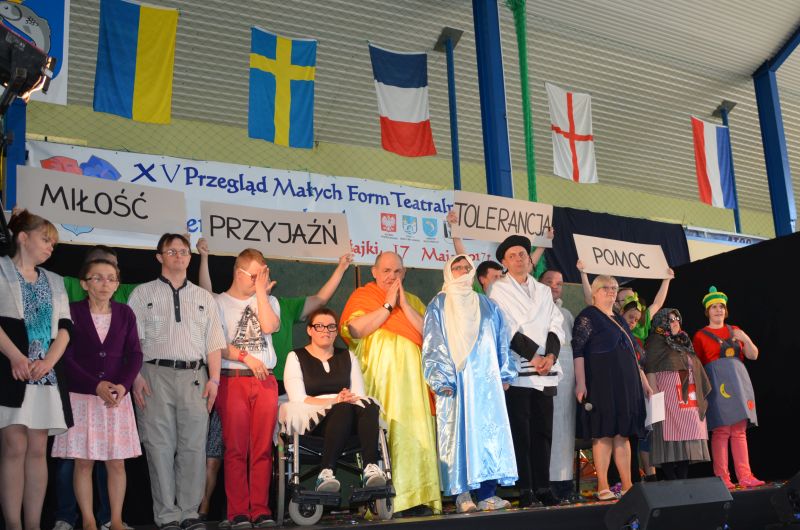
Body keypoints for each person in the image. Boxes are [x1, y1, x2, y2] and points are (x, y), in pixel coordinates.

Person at [128, 234, 226, 530]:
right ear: (159, 257)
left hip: (195, 377)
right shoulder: (141, 294)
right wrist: (134, 377)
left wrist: (215, 380)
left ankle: (189, 512)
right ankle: (166, 515)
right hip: (153, 375)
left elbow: (214, 343)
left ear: (190, 257)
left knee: (194, 447)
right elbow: (131, 342)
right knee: (158, 446)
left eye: (183, 251)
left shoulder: (203, 297)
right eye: (171, 251)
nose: (178, 256)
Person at [340, 251, 441, 515]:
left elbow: (430, 336)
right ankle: (385, 501)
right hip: (381, 381)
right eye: (386, 271)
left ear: (404, 274)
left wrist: (403, 305)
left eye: (397, 271)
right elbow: (355, 329)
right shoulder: (363, 296)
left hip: (414, 386)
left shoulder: (414, 301)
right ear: (374, 272)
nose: (391, 276)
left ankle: (418, 498)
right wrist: (387, 306)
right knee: (385, 435)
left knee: (416, 436)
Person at [51, 259, 144, 530]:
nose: (105, 284)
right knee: (83, 463)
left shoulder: (125, 313)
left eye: (111, 278)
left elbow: (135, 354)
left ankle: (116, 521)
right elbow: (65, 357)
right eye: (98, 278)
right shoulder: (72, 312)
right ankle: (89, 522)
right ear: (84, 283)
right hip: (82, 398)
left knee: (117, 463)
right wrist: (95, 385)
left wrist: (123, 386)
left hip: (116, 399)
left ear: (117, 284)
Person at [422, 255, 517, 513]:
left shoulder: (487, 304)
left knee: (488, 435)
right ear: (448, 272)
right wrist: (442, 379)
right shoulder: (439, 304)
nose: (463, 271)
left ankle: (487, 494)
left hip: (487, 384)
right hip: (457, 383)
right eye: (457, 268)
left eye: (467, 267)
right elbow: (433, 342)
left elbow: (501, 338)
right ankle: (462, 495)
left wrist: (505, 373)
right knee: (458, 436)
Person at [0, 210, 72, 530]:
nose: (50, 247)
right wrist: (16, 357)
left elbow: (66, 328)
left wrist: (48, 362)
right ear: (23, 237)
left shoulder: (55, 281)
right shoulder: (1, 270)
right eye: (45, 240)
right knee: (14, 446)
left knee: (38, 449)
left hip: (45, 375)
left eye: (53, 243)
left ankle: (33, 524)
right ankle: (12, 525)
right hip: (11, 372)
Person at [488, 236, 564, 507]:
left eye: (523, 253)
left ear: (530, 259)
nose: (519, 258)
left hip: (546, 369)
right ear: (504, 262)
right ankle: (526, 490)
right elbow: (506, 328)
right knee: (522, 434)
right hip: (520, 369)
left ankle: (543, 487)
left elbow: (556, 323)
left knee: (543, 432)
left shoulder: (543, 291)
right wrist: (534, 357)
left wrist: (550, 356)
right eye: (513, 255)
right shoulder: (498, 290)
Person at [210, 248, 281, 528]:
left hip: (265, 381)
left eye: (262, 275)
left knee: (262, 448)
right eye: (253, 276)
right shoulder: (218, 302)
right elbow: (216, 343)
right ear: (237, 273)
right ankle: (237, 511)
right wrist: (245, 357)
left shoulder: (269, 299)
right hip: (233, 379)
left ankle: (260, 509)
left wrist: (261, 292)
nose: (258, 281)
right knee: (236, 448)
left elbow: (269, 326)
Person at [283, 308, 386, 492]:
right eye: (320, 326)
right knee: (342, 408)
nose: (326, 331)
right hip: (313, 419)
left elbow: (358, 394)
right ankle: (326, 471)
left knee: (369, 405)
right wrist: (334, 401)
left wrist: (344, 399)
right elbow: (298, 398)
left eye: (331, 327)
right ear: (310, 330)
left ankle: (371, 468)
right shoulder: (296, 356)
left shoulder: (347, 356)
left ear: (336, 331)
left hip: (347, 412)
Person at [572, 275, 651, 500]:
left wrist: (644, 383)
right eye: (605, 287)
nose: (611, 291)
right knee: (603, 432)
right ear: (594, 292)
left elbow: (633, 354)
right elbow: (578, 351)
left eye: (614, 288)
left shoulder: (619, 319)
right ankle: (603, 486)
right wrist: (581, 382)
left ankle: (627, 485)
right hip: (601, 382)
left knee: (623, 434)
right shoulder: (587, 316)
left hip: (626, 384)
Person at [692, 287, 764, 489]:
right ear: (707, 311)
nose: (718, 310)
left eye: (721, 307)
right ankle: (722, 478)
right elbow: (696, 365)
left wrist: (745, 338)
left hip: (739, 382)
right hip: (717, 384)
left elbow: (753, 355)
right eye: (714, 307)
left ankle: (745, 476)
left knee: (739, 430)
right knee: (721, 430)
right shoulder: (700, 336)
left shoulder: (735, 330)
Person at [644, 308, 711, 480]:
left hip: (687, 392)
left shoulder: (683, 340)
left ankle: (682, 479)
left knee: (687, 435)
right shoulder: (655, 340)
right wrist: (654, 395)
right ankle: (672, 480)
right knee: (667, 437)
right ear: (661, 322)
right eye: (670, 319)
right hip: (666, 395)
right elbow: (650, 367)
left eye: (677, 318)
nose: (675, 322)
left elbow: (693, 363)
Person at [538, 269, 577, 502]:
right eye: (549, 282)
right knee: (546, 430)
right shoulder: (533, 310)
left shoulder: (567, 314)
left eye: (559, 283)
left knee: (565, 432)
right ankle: (546, 485)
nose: (555, 286)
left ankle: (565, 483)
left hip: (567, 380)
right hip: (543, 375)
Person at [577, 261, 674, 341]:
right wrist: (583, 273)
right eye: (626, 299)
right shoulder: (611, 317)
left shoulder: (642, 318)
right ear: (617, 305)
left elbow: (657, 303)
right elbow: (591, 301)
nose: (632, 302)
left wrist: (667, 279)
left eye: (633, 298)